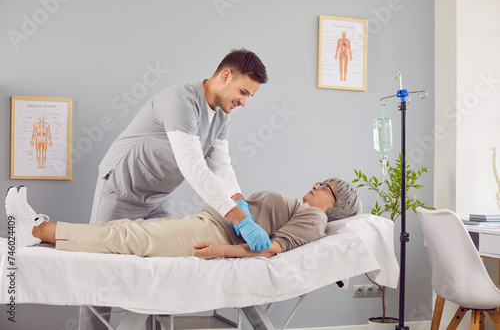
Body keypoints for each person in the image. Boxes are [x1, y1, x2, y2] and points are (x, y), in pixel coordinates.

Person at [91, 48, 271, 252]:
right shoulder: (181, 102)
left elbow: (221, 166)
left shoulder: (222, 117)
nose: (244, 102)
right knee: (104, 256)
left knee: (165, 259)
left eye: (249, 96)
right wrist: (239, 220)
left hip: (159, 197)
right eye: (243, 92)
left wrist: (240, 203)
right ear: (226, 76)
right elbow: (192, 167)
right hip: (122, 190)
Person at [6, 178, 362, 259]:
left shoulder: (315, 220)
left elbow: (271, 248)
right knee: (123, 230)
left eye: (326, 186)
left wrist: (223, 252)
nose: (317, 184)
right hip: (213, 220)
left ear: (336, 202)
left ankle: (34, 229)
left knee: (127, 238)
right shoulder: (305, 209)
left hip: (216, 233)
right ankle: (36, 229)